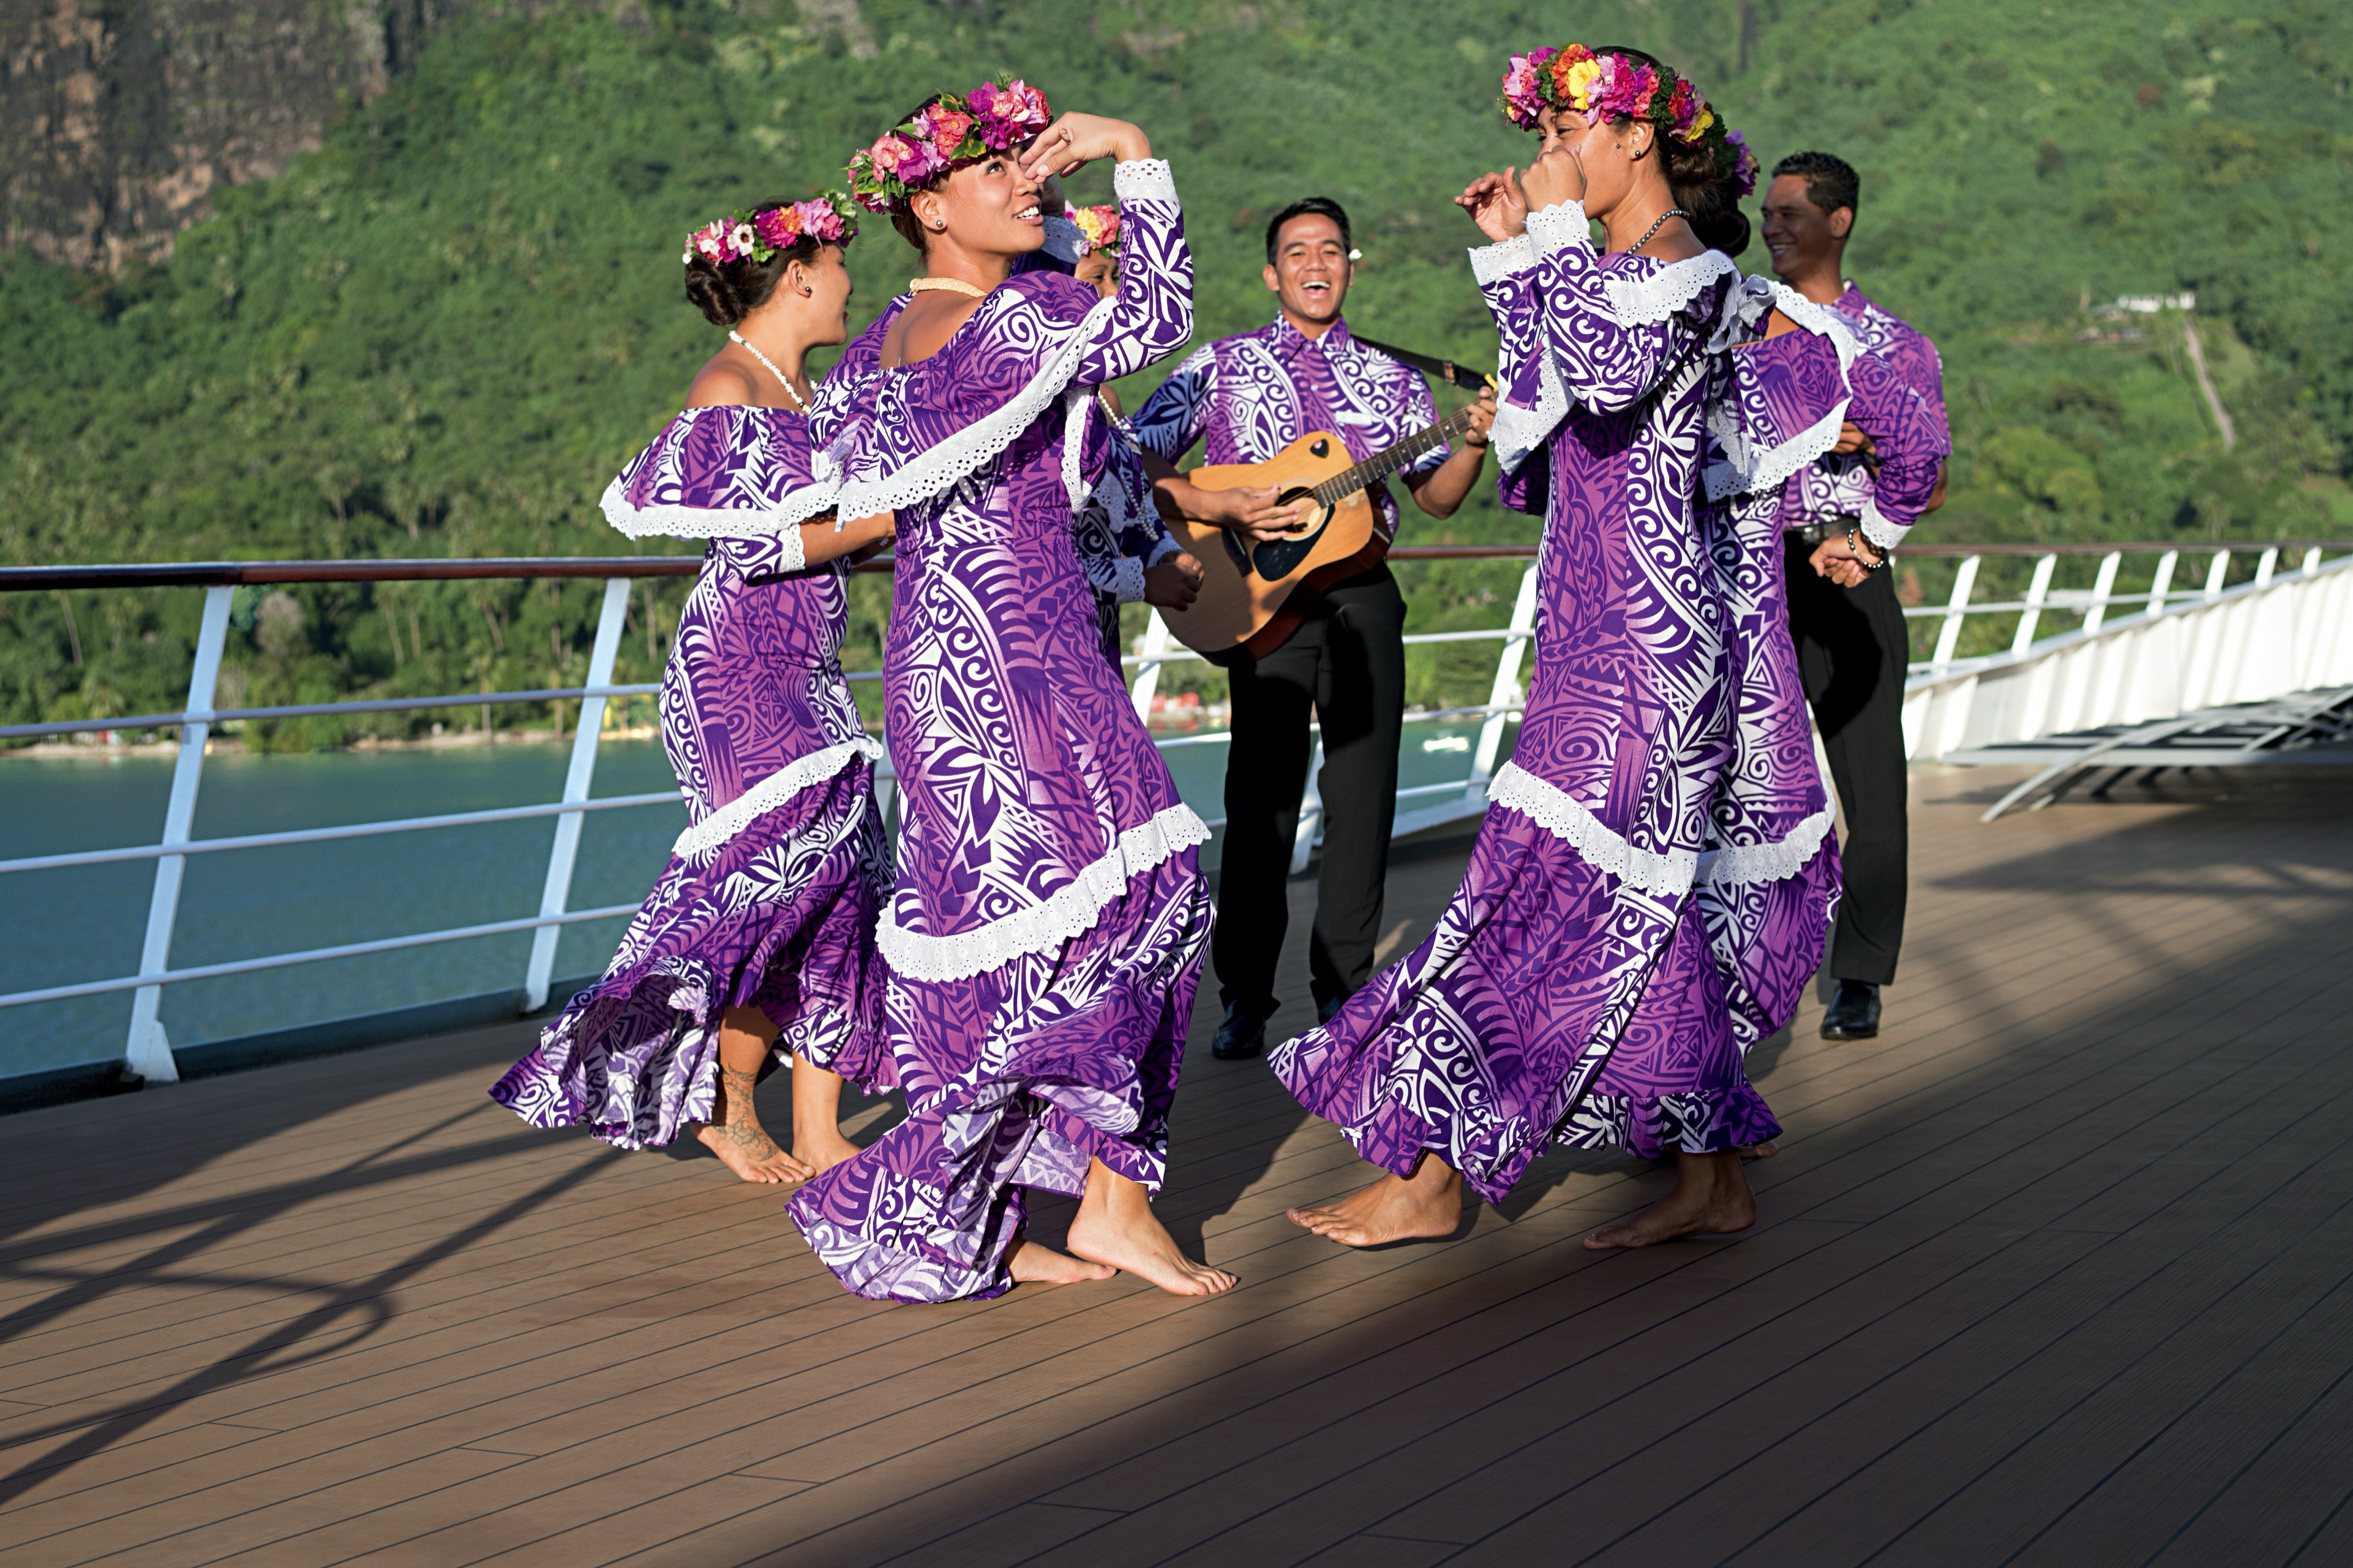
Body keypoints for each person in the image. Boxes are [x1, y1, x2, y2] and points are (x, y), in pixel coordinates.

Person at [1268, 44, 1807, 1251]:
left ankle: (1429, 1174)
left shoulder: (1691, 270)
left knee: (1512, 894)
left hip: (1650, 650)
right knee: (1640, 913)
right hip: (1590, 626)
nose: (1549, 153)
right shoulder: (1610, 269)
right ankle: (1712, 1174)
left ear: (1632, 141)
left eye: (1569, 131)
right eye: (1547, 131)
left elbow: (1610, 381)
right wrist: (1519, 261)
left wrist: (1549, 239)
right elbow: (1528, 431)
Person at [788, 82, 1235, 1302]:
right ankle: (1084, 1203)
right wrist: (1133, 150)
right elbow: (1157, 312)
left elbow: (834, 479)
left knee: (1024, 940)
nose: (1029, 178)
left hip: (938, 668)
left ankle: (1025, 1210)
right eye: (996, 171)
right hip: (1022, 664)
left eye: (1028, 164)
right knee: (1150, 898)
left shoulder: (892, 335)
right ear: (929, 204)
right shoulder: (1020, 321)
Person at [491, 194, 895, 1182]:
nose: (851, 282)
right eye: (840, 264)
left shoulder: (806, 391)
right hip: (739, 679)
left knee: (841, 886)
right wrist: (890, 516)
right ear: (797, 275)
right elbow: (762, 545)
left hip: (811, 668)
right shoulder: (728, 390)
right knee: (762, 887)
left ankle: (813, 1125)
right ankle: (706, 1088)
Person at [1132, 196, 1497, 1061]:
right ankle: (1246, 998)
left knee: (1363, 796)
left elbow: (1437, 500)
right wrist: (1214, 502)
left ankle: (1344, 993)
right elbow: (1136, 456)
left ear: (1351, 265)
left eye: (1331, 249)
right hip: (1259, 600)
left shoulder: (1400, 379)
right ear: (1273, 272)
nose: (1316, 264)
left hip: (1364, 590)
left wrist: (1476, 440)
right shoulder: (1215, 365)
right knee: (1260, 802)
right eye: (1298, 252)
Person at [1759, 151, 1953, 1040]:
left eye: (1793, 212)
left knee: (1872, 785)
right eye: (1769, 212)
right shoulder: (1737, 331)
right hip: (1753, 578)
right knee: (1740, 780)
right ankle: (1739, 971)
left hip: (1853, 573)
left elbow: (1934, 479)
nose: (1774, 225)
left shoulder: (1899, 346)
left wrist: (1866, 446)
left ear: (1839, 223)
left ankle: (1860, 975)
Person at [1064, 201, 1204, 668]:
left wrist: (1166, 552)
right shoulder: (1025, 404)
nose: (1112, 294)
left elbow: (1139, 509)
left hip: (1099, 639)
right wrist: (1141, 580)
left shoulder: (1106, 398)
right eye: (1095, 279)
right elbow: (1030, 557)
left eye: (1114, 279)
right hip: (1043, 647)